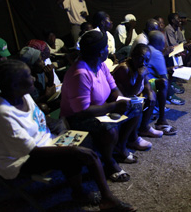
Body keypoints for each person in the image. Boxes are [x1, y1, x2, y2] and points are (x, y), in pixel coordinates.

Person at [0, 59, 136, 211]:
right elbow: (30, 150)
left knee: (84, 143)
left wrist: (63, 133)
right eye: (28, 76)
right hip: (19, 160)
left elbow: (39, 122)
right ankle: (106, 199)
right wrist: (71, 149)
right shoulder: (2, 113)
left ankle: (80, 192)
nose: (33, 78)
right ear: (15, 85)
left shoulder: (22, 96)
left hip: (43, 144)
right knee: (76, 153)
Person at [60, 29, 151, 182]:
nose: (108, 49)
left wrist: (123, 101)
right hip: (77, 118)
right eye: (105, 48)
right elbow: (82, 111)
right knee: (110, 130)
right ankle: (109, 162)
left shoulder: (100, 65)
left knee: (135, 107)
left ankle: (121, 147)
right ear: (99, 52)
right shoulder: (80, 73)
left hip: (101, 108)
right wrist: (114, 107)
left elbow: (114, 89)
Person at [112, 44, 163, 138]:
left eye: (147, 60)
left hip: (131, 96)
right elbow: (131, 93)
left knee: (152, 95)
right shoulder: (124, 68)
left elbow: (147, 85)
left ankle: (144, 128)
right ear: (133, 56)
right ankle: (133, 138)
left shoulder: (140, 65)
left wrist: (151, 94)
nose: (143, 62)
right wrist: (140, 77)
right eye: (140, 58)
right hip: (118, 100)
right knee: (137, 103)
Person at [146, 30, 178, 135]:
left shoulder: (146, 49)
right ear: (160, 42)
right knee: (164, 83)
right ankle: (162, 120)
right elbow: (163, 76)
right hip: (147, 86)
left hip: (138, 82)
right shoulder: (156, 53)